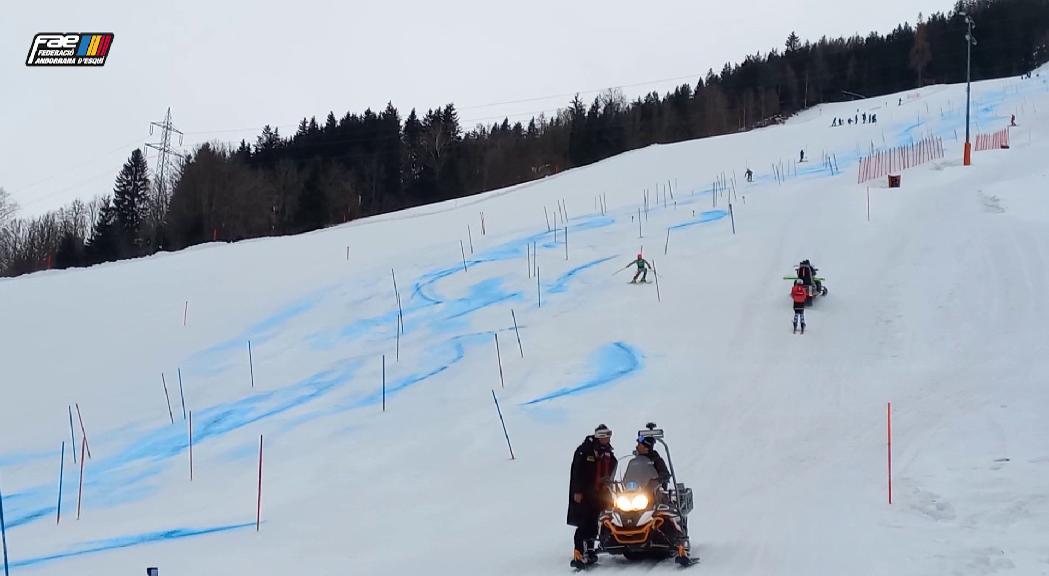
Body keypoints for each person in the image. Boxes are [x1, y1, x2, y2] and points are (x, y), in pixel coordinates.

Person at [568, 424, 617, 569]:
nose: (606, 438)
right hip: (585, 494)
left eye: (608, 435)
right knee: (583, 522)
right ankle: (579, 551)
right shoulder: (585, 451)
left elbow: (612, 467)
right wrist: (577, 491)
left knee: (596, 521)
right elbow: (577, 471)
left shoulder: (608, 452)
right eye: (603, 436)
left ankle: (590, 548)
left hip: (601, 494)